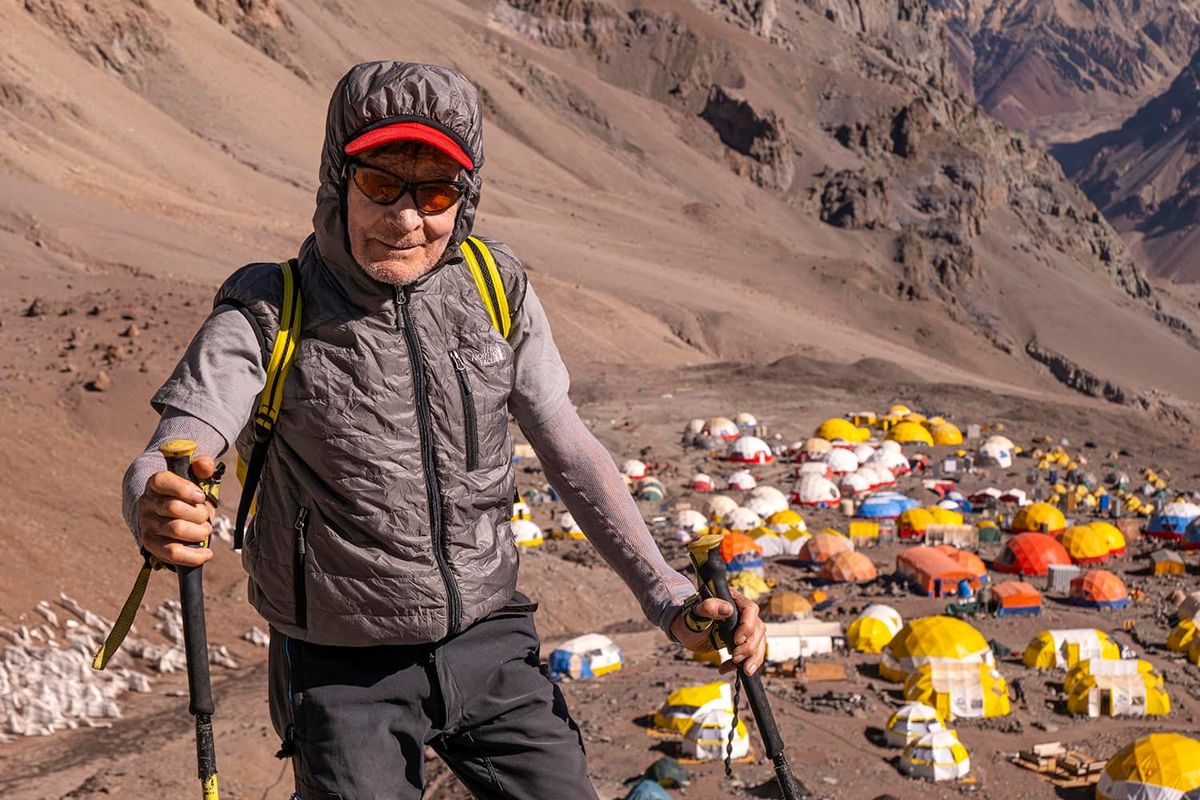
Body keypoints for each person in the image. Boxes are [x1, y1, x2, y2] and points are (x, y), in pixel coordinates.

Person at [121, 61, 766, 799]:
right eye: (379, 182)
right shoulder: (270, 309)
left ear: (467, 196)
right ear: (338, 177)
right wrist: (155, 502)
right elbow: (177, 446)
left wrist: (667, 596)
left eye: (434, 192)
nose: (405, 217)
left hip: (492, 639)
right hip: (341, 668)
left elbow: (569, 446)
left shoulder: (495, 287)